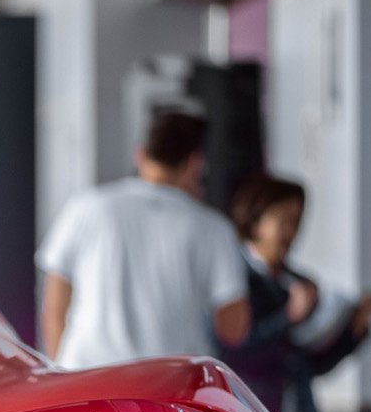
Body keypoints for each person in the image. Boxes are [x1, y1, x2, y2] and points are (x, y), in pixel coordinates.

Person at [37, 110, 251, 368]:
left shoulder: (85, 207)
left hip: (86, 378)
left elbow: (54, 307)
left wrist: (62, 373)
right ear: (196, 163)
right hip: (168, 387)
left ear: (140, 154)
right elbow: (234, 329)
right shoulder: (213, 228)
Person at [222, 173, 371, 412]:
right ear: (256, 220)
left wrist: (353, 332)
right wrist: (288, 316)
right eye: (283, 220)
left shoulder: (299, 282)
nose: (291, 233)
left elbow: (308, 363)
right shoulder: (231, 279)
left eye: (296, 222)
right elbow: (235, 349)